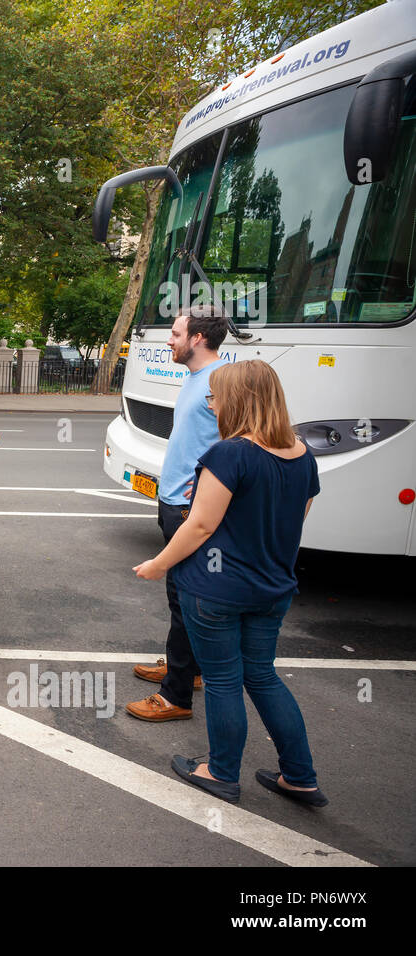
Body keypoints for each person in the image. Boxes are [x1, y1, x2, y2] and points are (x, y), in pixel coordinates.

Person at [133, 360, 325, 806]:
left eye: (215, 397)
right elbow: (295, 524)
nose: (212, 404)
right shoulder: (301, 454)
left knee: (221, 680)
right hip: (272, 589)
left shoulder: (230, 453)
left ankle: (220, 772)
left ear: (238, 401)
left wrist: (158, 564)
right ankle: (300, 776)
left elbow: (199, 526)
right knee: (262, 676)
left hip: (216, 590)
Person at [125, 305, 228, 723]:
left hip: (189, 508)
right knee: (179, 595)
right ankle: (188, 667)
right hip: (174, 502)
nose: (169, 339)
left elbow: (238, 443)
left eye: (175, 333)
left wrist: (203, 488)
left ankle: (176, 696)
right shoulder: (195, 378)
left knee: (187, 596)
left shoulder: (220, 383)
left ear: (198, 338)